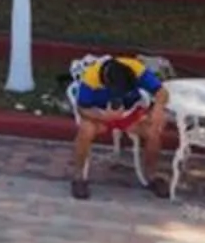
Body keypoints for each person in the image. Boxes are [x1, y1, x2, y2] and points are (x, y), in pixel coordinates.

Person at [65, 49, 171, 200]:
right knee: (85, 130)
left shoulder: (136, 68)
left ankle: (152, 176)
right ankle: (78, 177)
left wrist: (158, 109)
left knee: (154, 132)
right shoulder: (91, 77)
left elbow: (162, 92)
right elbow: (82, 108)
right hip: (101, 116)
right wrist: (103, 116)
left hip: (130, 114)